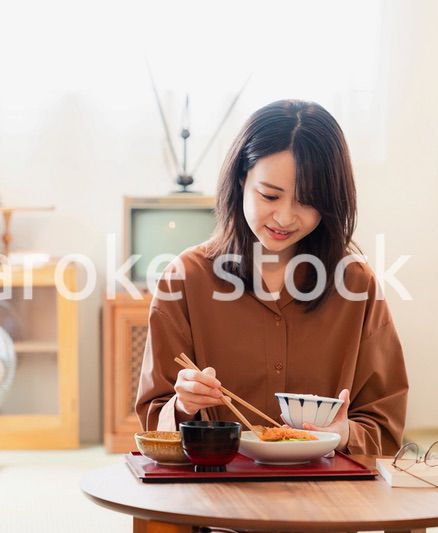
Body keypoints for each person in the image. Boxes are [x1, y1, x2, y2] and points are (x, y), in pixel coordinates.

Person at [135, 99, 408, 456]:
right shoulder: (186, 279)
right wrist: (184, 404)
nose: (285, 217)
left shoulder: (357, 284)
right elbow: (153, 419)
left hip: (327, 495)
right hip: (216, 489)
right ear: (240, 180)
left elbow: (386, 429)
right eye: (270, 195)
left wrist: (344, 434)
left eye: (308, 202)